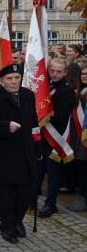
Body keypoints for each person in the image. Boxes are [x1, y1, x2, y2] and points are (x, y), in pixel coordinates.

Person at [0, 63, 40, 243]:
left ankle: (17, 220)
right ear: (2, 81)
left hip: (26, 153)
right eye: (9, 78)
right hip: (3, 155)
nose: (14, 82)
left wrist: (37, 147)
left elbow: (34, 123)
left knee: (26, 192)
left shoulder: (28, 95)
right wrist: (5, 126)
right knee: (3, 195)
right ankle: (7, 225)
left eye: (17, 78)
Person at [38, 57, 74, 218]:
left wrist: (41, 114)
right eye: (52, 70)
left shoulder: (66, 90)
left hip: (55, 137)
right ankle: (32, 199)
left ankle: (50, 204)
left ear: (65, 72)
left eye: (59, 71)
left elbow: (60, 116)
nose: (55, 74)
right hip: (41, 136)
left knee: (53, 174)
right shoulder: (46, 85)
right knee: (38, 170)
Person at [68, 63, 87, 211]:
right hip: (79, 136)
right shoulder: (78, 92)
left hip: (84, 133)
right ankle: (82, 196)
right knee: (81, 167)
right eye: (82, 74)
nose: (84, 76)